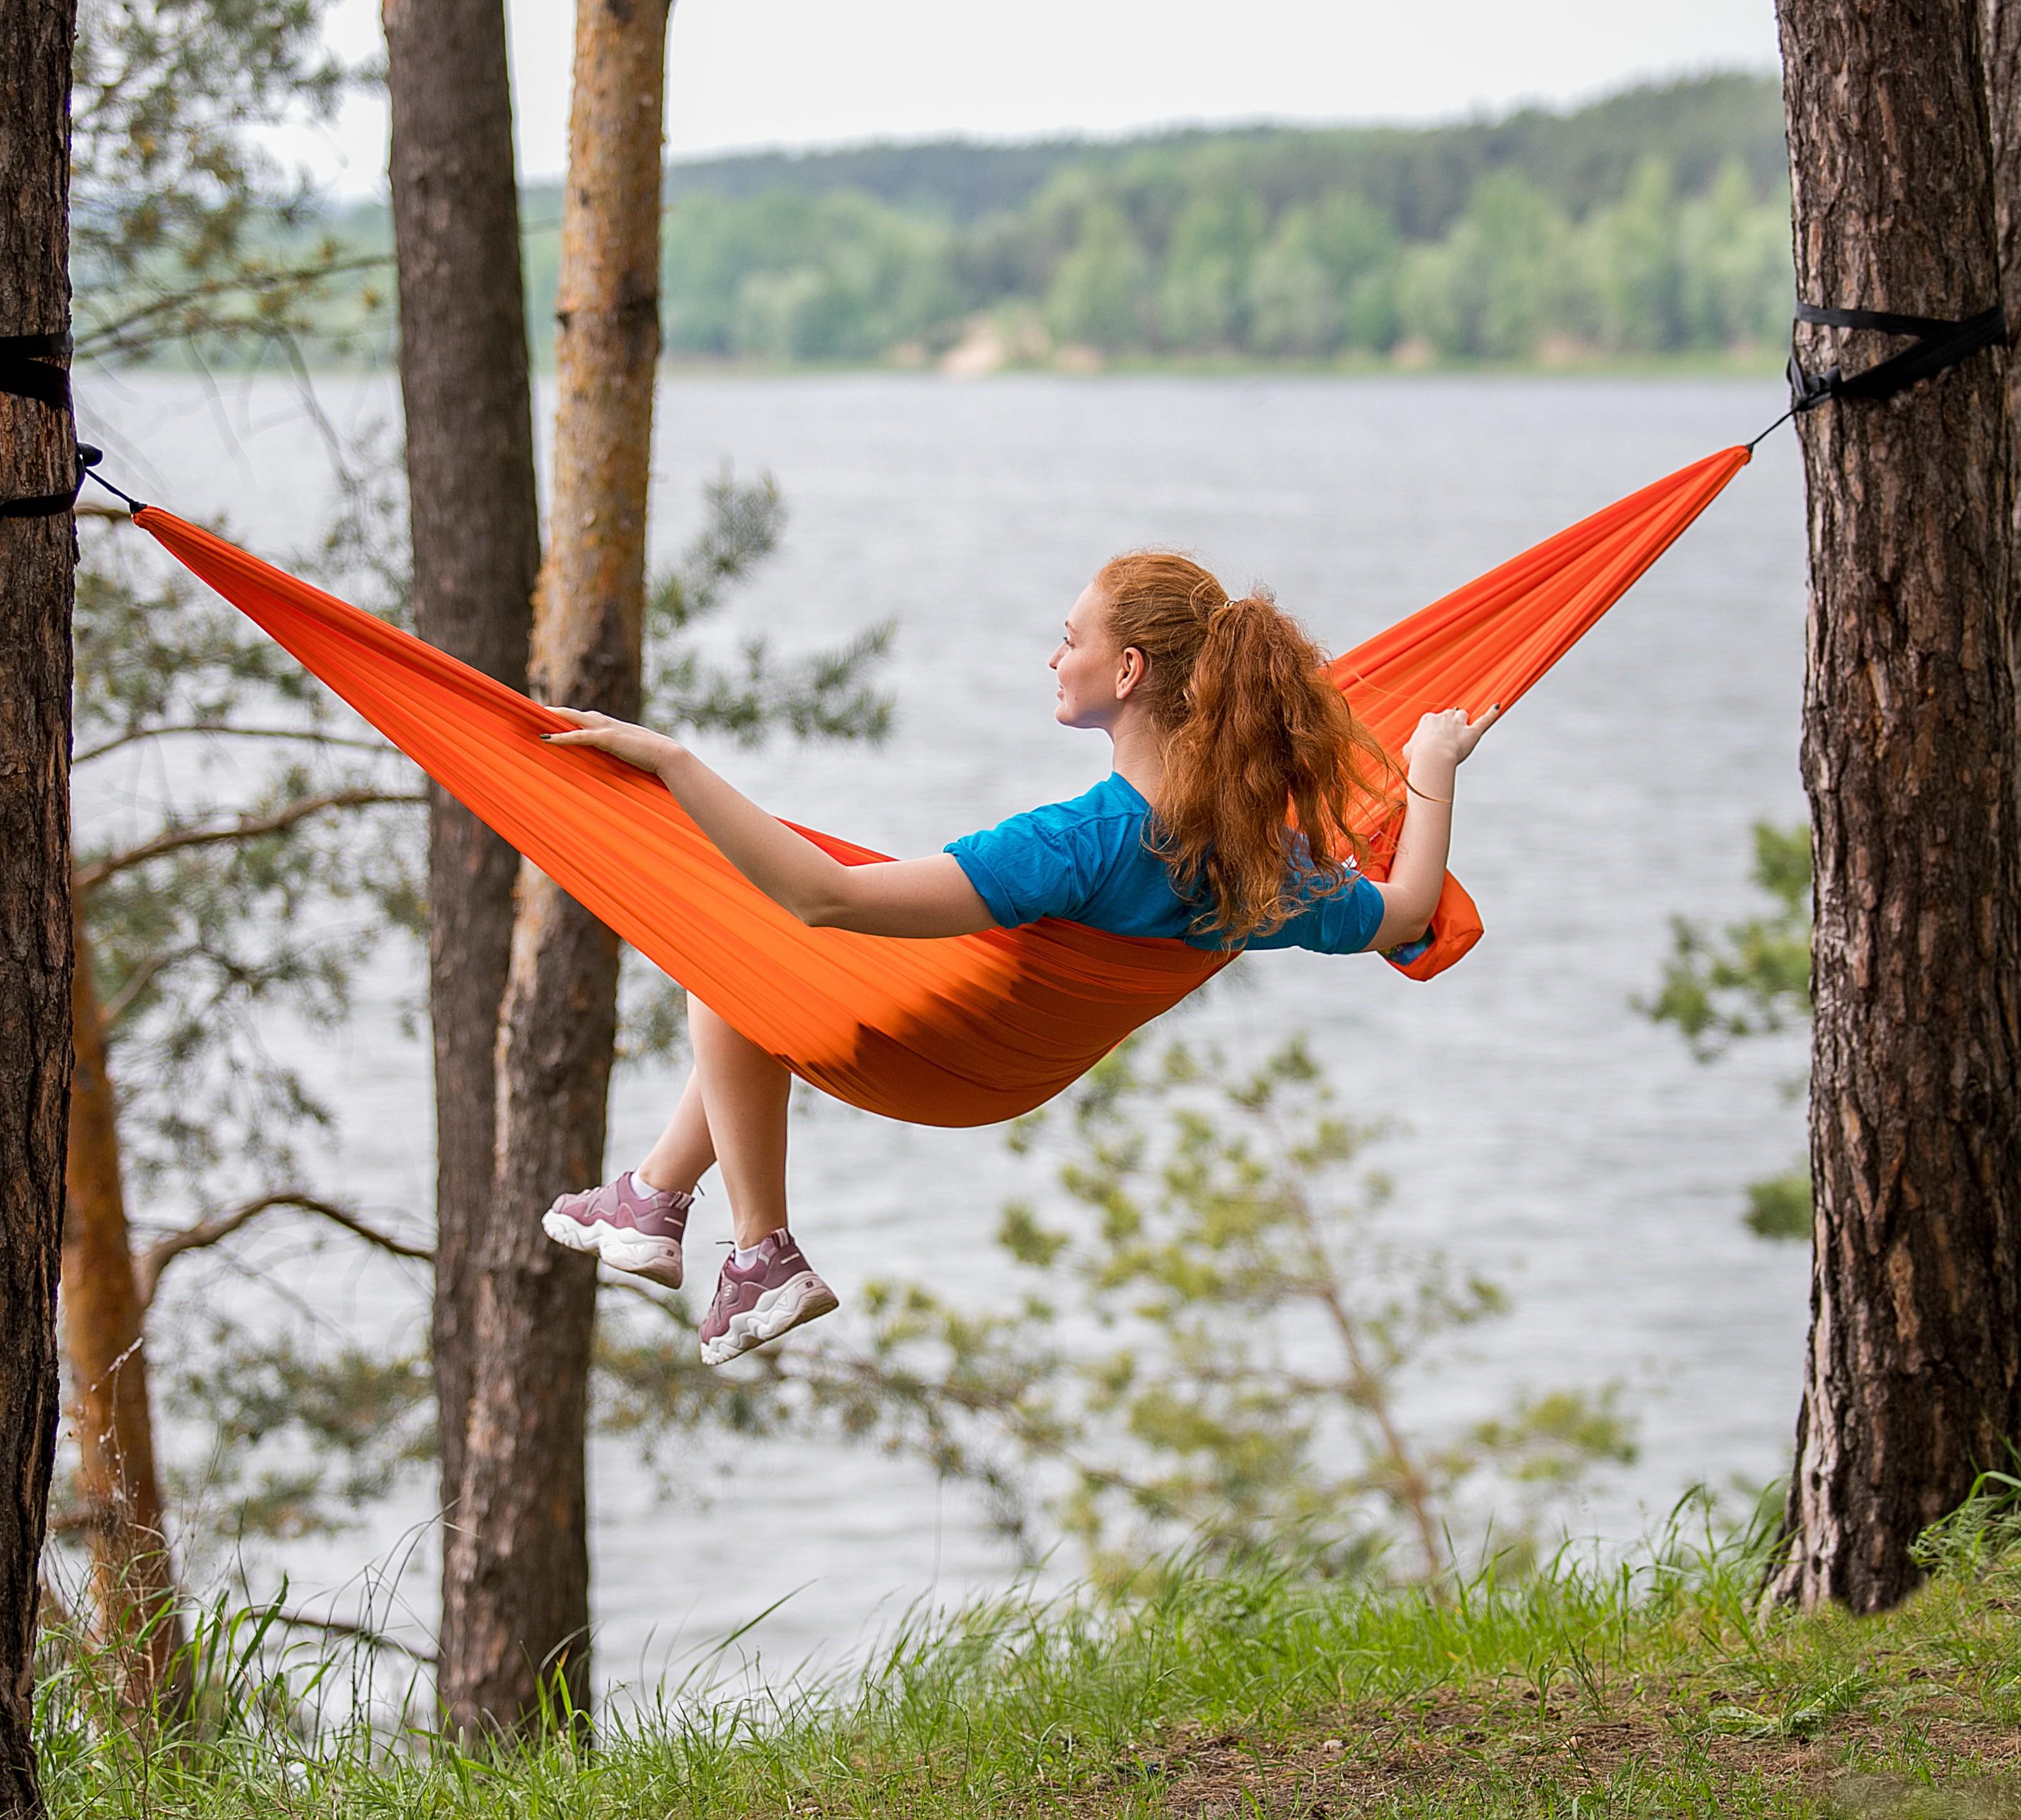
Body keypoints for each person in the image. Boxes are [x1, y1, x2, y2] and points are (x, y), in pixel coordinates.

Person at [537, 550, 1494, 1366]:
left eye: (1069, 639)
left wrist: (675, 765)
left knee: (736, 952)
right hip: (1013, 1074)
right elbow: (1406, 909)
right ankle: (655, 1199)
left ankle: (757, 1250)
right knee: (745, 977)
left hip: (934, 1047)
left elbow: (828, 898)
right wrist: (1431, 768)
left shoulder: (1078, 842)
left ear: (1125, 671)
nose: (1052, 656)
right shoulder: (1258, 865)